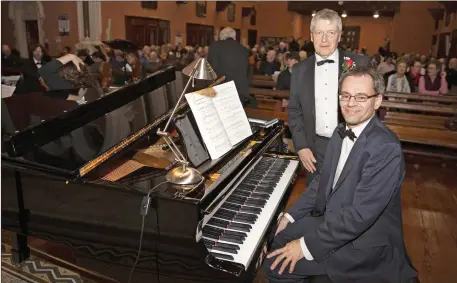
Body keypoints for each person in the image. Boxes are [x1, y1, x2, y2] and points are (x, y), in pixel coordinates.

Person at [263, 66, 418, 283]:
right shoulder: (340, 132)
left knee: (274, 268)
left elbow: (359, 216)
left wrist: (305, 246)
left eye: (361, 97)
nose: (350, 103)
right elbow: (321, 181)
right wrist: (290, 216)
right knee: (277, 239)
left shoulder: (385, 148)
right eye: (345, 95)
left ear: (377, 101)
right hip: (334, 220)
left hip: (363, 242)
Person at [288, 9, 369, 186]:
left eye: (330, 33)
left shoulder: (359, 64)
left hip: (350, 144)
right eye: (319, 33)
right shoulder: (299, 70)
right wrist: (301, 146)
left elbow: (370, 108)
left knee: (348, 200)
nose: (324, 39)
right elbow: (295, 111)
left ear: (339, 36)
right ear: (311, 36)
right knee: (315, 201)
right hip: (314, 148)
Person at [207, 27, 256, 108]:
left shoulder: (215, 47)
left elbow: (211, 70)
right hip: (240, 92)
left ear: (221, 36)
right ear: (234, 37)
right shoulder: (244, 49)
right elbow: (249, 72)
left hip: (222, 92)